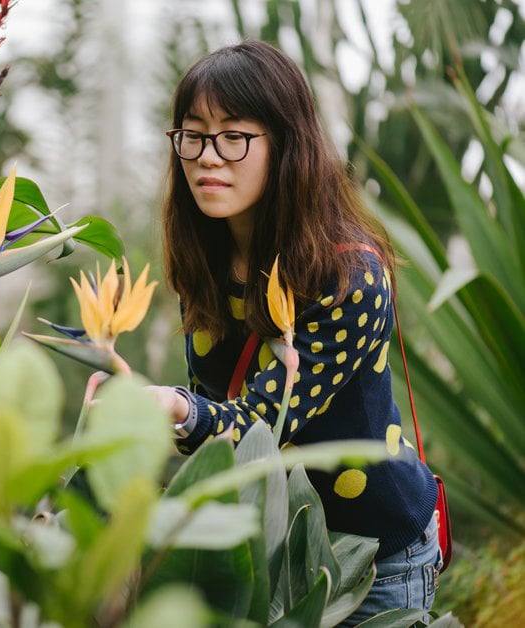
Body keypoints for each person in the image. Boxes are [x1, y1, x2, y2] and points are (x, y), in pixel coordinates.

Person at [148, 40, 441, 624]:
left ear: (285, 143)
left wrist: (175, 409)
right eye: (192, 133)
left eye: (234, 135)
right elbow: (214, 422)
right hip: (268, 550)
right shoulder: (203, 260)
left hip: (371, 558)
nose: (208, 156)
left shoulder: (349, 277)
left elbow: (262, 423)